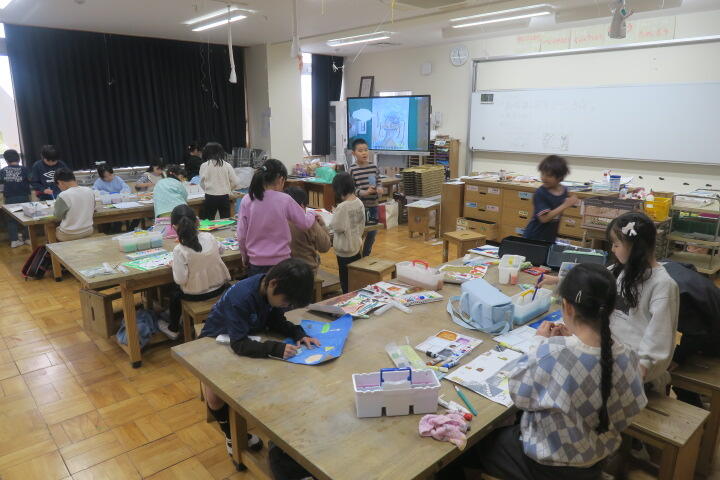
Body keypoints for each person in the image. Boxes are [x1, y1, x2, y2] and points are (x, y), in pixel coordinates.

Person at [442, 264, 647, 480]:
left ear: (567, 307)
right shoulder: (627, 355)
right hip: (596, 458)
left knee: (464, 446)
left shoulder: (553, 353)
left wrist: (538, 343)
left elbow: (519, 395)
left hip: (547, 466)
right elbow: (632, 407)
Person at [541, 212, 679, 390]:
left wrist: (636, 374)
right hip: (607, 359)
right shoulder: (620, 270)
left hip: (635, 376)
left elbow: (658, 343)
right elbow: (591, 285)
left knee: (558, 381)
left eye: (616, 244)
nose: (612, 249)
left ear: (635, 247)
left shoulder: (663, 285)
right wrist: (576, 332)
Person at [198, 259, 320, 456]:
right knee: (215, 397)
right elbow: (238, 344)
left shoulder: (273, 290)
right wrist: (275, 348)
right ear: (273, 284)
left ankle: (267, 419)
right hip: (216, 340)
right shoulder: (241, 298)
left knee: (273, 376)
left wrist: (298, 333)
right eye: (286, 302)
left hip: (250, 336)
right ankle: (231, 435)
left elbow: (276, 321)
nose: (286, 305)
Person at [157, 204, 230, 340]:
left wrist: (174, 266)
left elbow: (180, 280)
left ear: (174, 227)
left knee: (175, 292)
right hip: (220, 289)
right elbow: (222, 250)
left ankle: (173, 328)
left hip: (197, 295)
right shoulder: (209, 237)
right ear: (197, 222)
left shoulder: (179, 250)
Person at [236, 159, 319, 277]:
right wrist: (312, 213)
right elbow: (304, 223)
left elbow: (241, 235)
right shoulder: (285, 199)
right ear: (281, 180)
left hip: (256, 262)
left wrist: (244, 256)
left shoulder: (247, 199)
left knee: (260, 289)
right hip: (281, 263)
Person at [662, 260, 720, 407]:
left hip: (713, 330)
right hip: (711, 304)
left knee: (680, 368)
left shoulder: (672, 291)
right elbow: (690, 267)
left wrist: (677, 358)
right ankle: (697, 399)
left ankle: (695, 405)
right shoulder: (665, 264)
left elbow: (696, 334)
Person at [523, 155, 579, 242]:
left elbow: (559, 206)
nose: (544, 178)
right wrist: (565, 205)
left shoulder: (564, 190)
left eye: (549, 175)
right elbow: (544, 219)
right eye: (542, 174)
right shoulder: (540, 193)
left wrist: (571, 202)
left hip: (550, 237)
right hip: (534, 237)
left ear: (559, 177)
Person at [329, 172, 365, 293]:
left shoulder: (343, 207)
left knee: (345, 280)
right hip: (356, 245)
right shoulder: (359, 202)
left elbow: (336, 227)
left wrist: (335, 213)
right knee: (355, 276)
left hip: (344, 250)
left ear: (339, 189)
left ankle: (347, 296)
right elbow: (362, 223)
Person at [348, 138, 383, 257]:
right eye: (360, 150)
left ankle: (366, 255)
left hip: (373, 205)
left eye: (366, 150)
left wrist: (379, 188)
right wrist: (364, 192)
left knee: (372, 232)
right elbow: (351, 190)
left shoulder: (373, 167)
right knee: (359, 232)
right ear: (354, 153)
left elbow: (378, 182)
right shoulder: (352, 169)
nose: (364, 153)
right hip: (360, 207)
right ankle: (357, 255)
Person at [285, 186, 332, 275]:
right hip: (306, 270)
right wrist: (322, 225)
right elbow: (325, 247)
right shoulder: (308, 222)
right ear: (302, 205)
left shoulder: (277, 218)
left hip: (282, 268)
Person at [199, 142, 240, 220]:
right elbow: (235, 182)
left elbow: (201, 183)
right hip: (224, 196)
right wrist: (229, 189)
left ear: (207, 152)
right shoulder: (227, 165)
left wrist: (207, 189)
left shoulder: (204, 165)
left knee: (209, 220)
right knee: (226, 220)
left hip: (210, 196)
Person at [53, 168, 96, 242]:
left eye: (58, 185)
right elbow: (93, 207)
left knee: (51, 230)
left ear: (60, 182)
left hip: (69, 234)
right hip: (88, 230)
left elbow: (57, 216)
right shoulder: (89, 190)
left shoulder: (63, 195)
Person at [0, 149, 31, 247]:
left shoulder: (3, 170)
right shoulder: (25, 169)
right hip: (24, 196)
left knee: (11, 220)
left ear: (6, 160)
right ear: (18, 158)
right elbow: (31, 179)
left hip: (10, 198)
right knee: (27, 217)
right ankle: (27, 238)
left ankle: (14, 240)